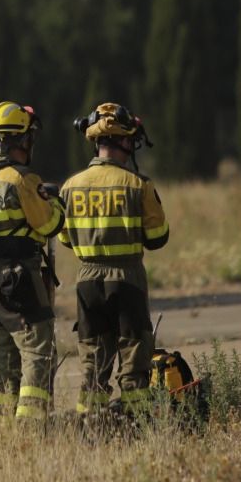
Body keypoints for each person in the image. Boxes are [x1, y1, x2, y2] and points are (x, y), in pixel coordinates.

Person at [58, 103, 168, 421]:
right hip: (128, 277)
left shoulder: (70, 187)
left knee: (93, 364)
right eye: (131, 140)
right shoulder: (139, 185)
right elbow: (158, 236)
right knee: (134, 358)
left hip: (87, 280)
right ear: (122, 142)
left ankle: (89, 431)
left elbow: (65, 238)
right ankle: (135, 427)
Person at [0, 102, 64, 421]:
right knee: (39, 352)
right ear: (21, 140)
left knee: (6, 357)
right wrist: (55, 203)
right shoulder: (22, 178)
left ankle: (3, 428)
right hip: (20, 279)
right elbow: (48, 225)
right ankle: (30, 428)